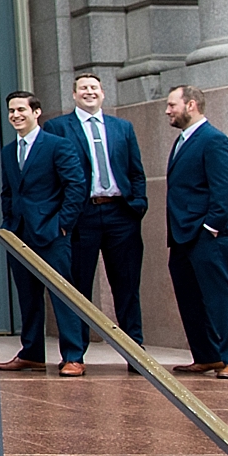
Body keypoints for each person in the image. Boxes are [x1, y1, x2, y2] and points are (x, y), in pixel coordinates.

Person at [42, 72, 148, 350]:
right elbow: (51, 176)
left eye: (94, 88)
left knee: (127, 287)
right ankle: (75, 353)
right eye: (83, 88)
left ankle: (135, 351)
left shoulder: (122, 128)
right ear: (74, 95)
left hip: (121, 215)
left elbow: (135, 171)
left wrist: (138, 205)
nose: (89, 92)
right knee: (77, 287)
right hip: (81, 217)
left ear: (102, 93)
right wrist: (64, 218)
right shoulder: (58, 128)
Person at [0, 91, 89, 375]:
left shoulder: (57, 146)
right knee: (28, 297)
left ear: (36, 112)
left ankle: (73, 355)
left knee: (62, 294)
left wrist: (62, 224)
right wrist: (10, 222)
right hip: (19, 235)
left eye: (22, 110)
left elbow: (76, 186)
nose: (16, 115)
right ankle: (32, 353)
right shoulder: (9, 151)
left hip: (51, 233)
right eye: (12, 111)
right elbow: (9, 191)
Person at [163, 85, 228, 379]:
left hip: (207, 235)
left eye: (172, 105)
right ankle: (208, 356)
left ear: (191, 105)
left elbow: (225, 189)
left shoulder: (214, 140)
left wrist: (211, 226)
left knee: (221, 297)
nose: (167, 111)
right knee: (191, 298)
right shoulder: (182, 142)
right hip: (181, 235)